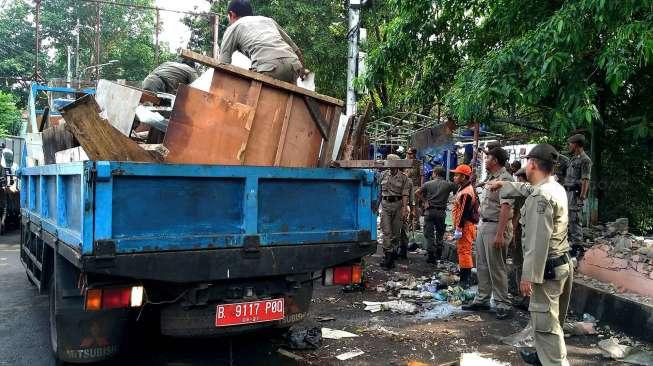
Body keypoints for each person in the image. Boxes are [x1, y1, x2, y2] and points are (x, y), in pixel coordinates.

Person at [488, 144, 572, 366]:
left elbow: (537, 240)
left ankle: (553, 362)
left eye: (527, 162)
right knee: (552, 322)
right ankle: (543, 357)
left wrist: (528, 277)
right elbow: (527, 189)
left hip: (546, 269)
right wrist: (504, 184)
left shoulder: (541, 197)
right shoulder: (555, 188)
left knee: (547, 326)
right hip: (561, 264)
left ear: (533, 164)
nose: (525, 165)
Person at [462, 147, 515, 320]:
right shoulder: (490, 178)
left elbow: (506, 208)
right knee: (483, 265)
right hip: (484, 224)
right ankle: (482, 299)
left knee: (496, 266)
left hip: (496, 227)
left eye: (488, 157)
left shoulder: (505, 179)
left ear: (496, 160)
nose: (486, 160)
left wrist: (500, 234)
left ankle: (502, 303)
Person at [219, 0, 307, 83]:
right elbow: (296, 50)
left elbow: (223, 64)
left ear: (231, 14)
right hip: (293, 65)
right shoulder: (268, 20)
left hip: (268, 68)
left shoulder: (233, 27)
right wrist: (302, 71)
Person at [415, 166, 457, 263]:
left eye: (433, 173)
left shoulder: (428, 184)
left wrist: (425, 201)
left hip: (430, 211)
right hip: (441, 212)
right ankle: (438, 253)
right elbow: (457, 190)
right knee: (440, 233)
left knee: (429, 234)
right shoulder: (448, 185)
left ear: (435, 173)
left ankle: (431, 256)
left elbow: (417, 192)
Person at [379, 154, 411, 269]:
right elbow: (379, 191)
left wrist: (404, 208)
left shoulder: (404, 178)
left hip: (398, 206)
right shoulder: (383, 175)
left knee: (396, 233)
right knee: (386, 231)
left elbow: (405, 194)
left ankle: (392, 256)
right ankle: (388, 256)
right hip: (385, 205)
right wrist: (376, 205)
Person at [449, 164, 478, 288]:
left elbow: (463, 213)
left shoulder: (466, 192)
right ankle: (465, 277)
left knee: (464, 252)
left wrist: (459, 228)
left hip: (465, 226)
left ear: (463, 176)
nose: (454, 177)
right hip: (465, 225)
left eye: (456, 175)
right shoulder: (464, 188)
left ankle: (464, 280)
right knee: (464, 252)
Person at [564, 134, 591, 248]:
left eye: (570, 144)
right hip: (568, 193)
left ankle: (577, 246)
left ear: (575, 144)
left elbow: (585, 180)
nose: (569, 146)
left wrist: (582, 197)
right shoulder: (573, 159)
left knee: (575, 220)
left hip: (575, 194)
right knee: (568, 219)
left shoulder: (585, 160)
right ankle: (572, 243)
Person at [509, 168, 529, 310]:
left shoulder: (521, 194)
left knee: (520, 264)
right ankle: (525, 296)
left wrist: (513, 234)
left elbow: (516, 215)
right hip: (529, 233)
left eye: (519, 178)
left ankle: (524, 296)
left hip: (521, 232)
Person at [405, 147, 424, 231]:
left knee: (414, 205)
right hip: (405, 186)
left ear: (413, 154)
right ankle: (408, 223)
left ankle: (415, 224)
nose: (408, 155)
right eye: (407, 153)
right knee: (406, 204)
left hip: (414, 186)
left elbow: (422, 175)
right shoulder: (404, 162)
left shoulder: (418, 163)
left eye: (409, 153)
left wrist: (421, 187)